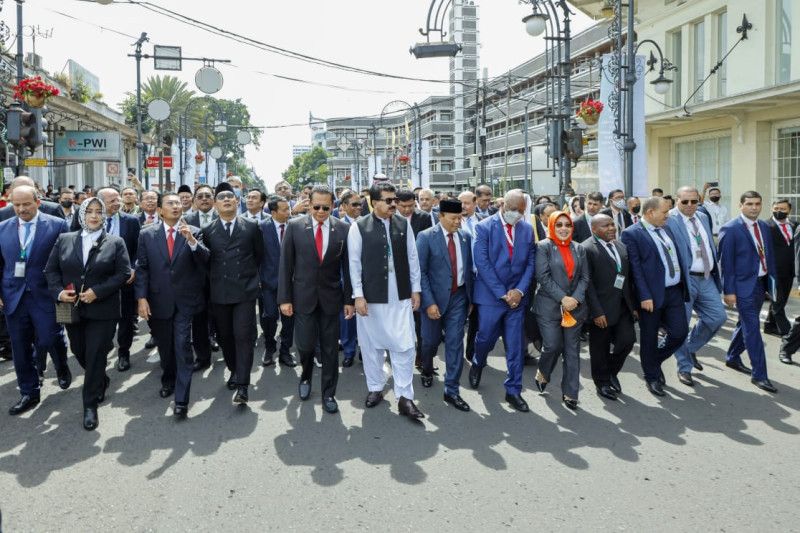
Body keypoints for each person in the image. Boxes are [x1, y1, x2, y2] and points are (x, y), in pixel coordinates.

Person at [44, 198, 130, 430]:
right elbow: (50, 271)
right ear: (81, 215)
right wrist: (59, 292)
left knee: (95, 354)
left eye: (98, 212)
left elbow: (123, 273)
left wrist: (97, 292)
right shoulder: (65, 240)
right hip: (69, 308)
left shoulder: (115, 241)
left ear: (104, 215)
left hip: (103, 309)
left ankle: (90, 405)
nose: (94, 216)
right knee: (79, 351)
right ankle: (100, 379)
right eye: (89, 211)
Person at [348, 182, 425, 420]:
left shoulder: (403, 224)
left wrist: (416, 289)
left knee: (405, 345)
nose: (393, 204)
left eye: (394, 200)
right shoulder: (359, 227)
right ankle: (376, 387)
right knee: (372, 347)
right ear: (373, 202)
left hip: (400, 295)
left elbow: (413, 258)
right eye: (388, 200)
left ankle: (405, 396)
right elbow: (354, 264)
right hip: (372, 298)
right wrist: (358, 295)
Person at [278, 185, 353, 414]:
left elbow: (348, 268)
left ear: (333, 206)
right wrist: (284, 298)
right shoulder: (294, 226)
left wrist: (349, 299)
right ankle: (306, 377)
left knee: (331, 349)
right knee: (306, 344)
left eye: (326, 207)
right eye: (317, 206)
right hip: (303, 297)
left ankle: (329, 393)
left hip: (331, 298)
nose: (321, 211)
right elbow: (285, 265)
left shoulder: (343, 229)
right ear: (309, 204)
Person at [134, 192, 209, 419]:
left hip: (186, 301)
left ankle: (181, 399)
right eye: (170, 203)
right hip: (158, 301)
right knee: (166, 348)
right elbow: (143, 268)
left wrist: (192, 242)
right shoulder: (146, 235)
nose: (176, 206)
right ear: (159, 210)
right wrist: (141, 298)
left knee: (183, 346)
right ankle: (168, 379)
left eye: (178, 203)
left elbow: (206, 260)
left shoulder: (194, 232)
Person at [1, 186, 71, 416]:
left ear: (37, 202)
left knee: (51, 337)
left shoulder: (57, 225)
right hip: (14, 297)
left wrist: (64, 292)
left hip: (46, 295)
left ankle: (61, 365)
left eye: (26, 204)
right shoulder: (2, 228)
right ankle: (29, 392)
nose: (21, 209)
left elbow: (66, 261)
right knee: (20, 346)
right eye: (16, 205)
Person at [469, 189, 535, 412]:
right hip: (491, 297)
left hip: (517, 299)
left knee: (515, 346)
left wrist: (519, 291)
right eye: (513, 210)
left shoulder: (526, 229)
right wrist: (502, 293)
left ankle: (513, 390)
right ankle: (478, 362)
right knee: (485, 338)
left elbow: (530, 264)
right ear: (503, 205)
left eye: (521, 211)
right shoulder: (484, 227)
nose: (516, 214)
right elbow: (482, 263)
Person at [201, 182, 264, 404]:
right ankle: (234, 370)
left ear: (237, 202)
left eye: (231, 197)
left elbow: (259, 256)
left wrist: (252, 280)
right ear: (216, 205)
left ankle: (243, 385)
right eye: (222, 198)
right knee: (225, 336)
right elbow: (206, 262)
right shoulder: (208, 231)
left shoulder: (252, 227)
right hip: (219, 293)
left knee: (244, 336)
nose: (227, 199)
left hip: (245, 292)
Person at [620, 196, 689, 397]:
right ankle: (652, 376)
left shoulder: (666, 229)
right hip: (650, 296)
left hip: (674, 291)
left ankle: (653, 360)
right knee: (649, 338)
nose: (668, 216)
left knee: (679, 332)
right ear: (650, 213)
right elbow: (636, 269)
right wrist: (644, 295)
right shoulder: (632, 234)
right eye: (665, 212)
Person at [416, 199, 473, 412]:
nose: (458, 222)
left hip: (458, 297)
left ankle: (452, 390)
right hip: (434, 299)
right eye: (453, 218)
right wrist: (429, 303)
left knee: (455, 342)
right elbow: (420, 272)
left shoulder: (466, 237)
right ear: (441, 216)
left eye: (460, 218)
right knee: (429, 342)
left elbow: (468, 271)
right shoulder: (426, 237)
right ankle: (427, 368)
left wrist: (470, 299)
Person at [718, 191, 778, 393]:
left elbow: (768, 256)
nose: (754, 207)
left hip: (761, 284)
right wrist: (729, 291)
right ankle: (760, 375)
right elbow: (726, 264)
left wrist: (771, 285)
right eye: (750, 204)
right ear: (741, 205)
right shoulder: (730, 229)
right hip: (742, 288)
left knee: (744, 324)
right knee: (753, 329)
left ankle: (733, 357)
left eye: (758, 203)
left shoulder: (764, 226)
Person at [666, 186, 726, 386]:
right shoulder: (669, 219)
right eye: (685, 202)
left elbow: (708, 244)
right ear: (677, 200)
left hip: (707, 277)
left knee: (718, 317)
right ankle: (684, 367)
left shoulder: (702, 217)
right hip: (685, 279)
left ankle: (690, 348)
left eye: (694, 201)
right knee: (681, 324)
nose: (690, 205)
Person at [533, 211, 589, 410]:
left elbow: (584, 278)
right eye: (559, 225)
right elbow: (543, 277)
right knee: (553, 346)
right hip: (549, 307)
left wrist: (575, 299)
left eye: (567, 225)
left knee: (572, 351)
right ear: (551, 226)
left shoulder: (579, 248)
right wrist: (562, 298)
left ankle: (570, 393)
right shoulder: (543, 247)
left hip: (574, 308)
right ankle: (544, 372)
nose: (564, 228)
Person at [582, 214, 636, 401]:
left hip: (622, 307)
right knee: (599, 348)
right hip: (601, 310)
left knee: (627, 341)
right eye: (606, 226)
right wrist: (596, 312)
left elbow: (627, 279)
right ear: (594, 229)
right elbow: (587, 285)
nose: (612, 228)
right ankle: (602, 382)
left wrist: (633, 305)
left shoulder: (620, 245)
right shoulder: (587, 249)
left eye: (612, 224)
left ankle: (611, 371)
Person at [88, 187, 141, 372]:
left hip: (125, 280)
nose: (117, 203)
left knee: (126, 319)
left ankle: (124, 352)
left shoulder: (132, 221)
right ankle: (102, 353)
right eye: (112, 200)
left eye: (118, 199)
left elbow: (138, 248)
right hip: (99, 282)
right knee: (102, 323)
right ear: (100, 202)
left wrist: (134, 267)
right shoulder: (90, 220)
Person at [396, 188, 432, 370]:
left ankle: (421, 355)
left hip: (417, 273)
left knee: (419, 318)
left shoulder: (424, 218)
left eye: (411, 205)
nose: (408, 210)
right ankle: (399, 353)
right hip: (396, 276)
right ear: (396, 204)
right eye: (404, 206)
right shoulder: (390, 219)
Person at [258, 195, 296, 368]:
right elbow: (256, 255)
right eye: (284, 209)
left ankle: (285, 352)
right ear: (273, 212)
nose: (289, 212)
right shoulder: (261, 228)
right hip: (268, 282)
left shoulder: (295, 226)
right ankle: (269, 346)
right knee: (269, 316)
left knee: (289, 319)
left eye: (288, 208)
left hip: (292, 282)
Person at [183, 183, 219, 365]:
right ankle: (203, 355)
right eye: (200, 196)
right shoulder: (186, 220)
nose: (204, 199)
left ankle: (217, 338)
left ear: (213, 198)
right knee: (198, 319)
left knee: (219, 315)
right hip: (195, 278)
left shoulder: (223, 217)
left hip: (219, 276)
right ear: (194, 201)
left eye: (208, 195)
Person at [335, 190, 362, 366]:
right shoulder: (337, 226)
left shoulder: (368, 224)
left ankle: (366, 350)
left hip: (365, 278)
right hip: (344, 280)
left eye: (361, 204)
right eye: (354, 204)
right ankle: (349, 351)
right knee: (347, 318)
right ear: (344, 206)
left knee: (366, 317)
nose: (359, 207)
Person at [764, 199, 795, 336]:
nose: (778, 211)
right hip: (772, 271)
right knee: (777, 302)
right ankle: (788, 333)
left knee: (781, 301)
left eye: (782, 209)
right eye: (776, 208)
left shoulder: (795, 225)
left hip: (789, 271)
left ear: (789, 210)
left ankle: (769, 326)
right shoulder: (765, 226)